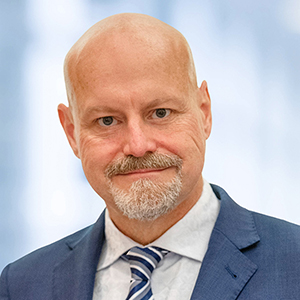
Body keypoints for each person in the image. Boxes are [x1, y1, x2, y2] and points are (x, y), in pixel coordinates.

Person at [1, 13, 300, 300]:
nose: (138, 145)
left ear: (204, 112)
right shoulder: (22, 285)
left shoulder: (293, 265)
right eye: (107, 120)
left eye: (160, 113)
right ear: (71, 132)